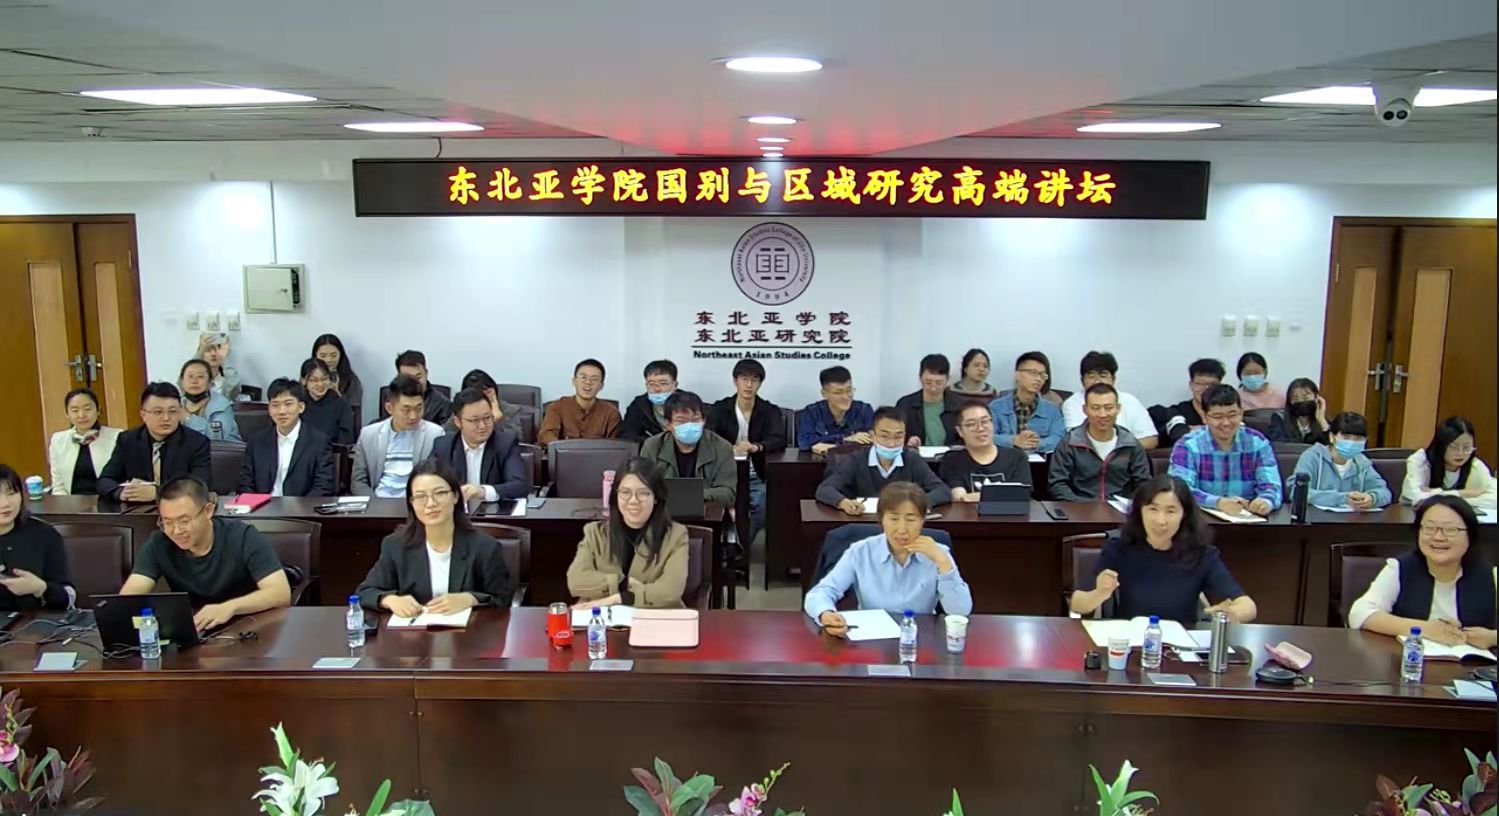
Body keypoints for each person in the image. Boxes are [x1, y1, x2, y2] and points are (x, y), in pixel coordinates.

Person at [1069, 475, 1257, 625]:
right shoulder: (1119, 547)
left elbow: (1248, 606)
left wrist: (1232, 613)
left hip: (1180, 647)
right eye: (1153, 509)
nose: (1161, 520)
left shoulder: (1202, 554)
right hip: (1130, 645)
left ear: (1184, 515)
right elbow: (1078, 603)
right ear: (1140, 511)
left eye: (1171, 511)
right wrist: (1099, 594)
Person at [119, 476, 291, 630]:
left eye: (184, 521)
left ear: (208, 511)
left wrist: (229, 607)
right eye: (167, 522)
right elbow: (129, 597)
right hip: (196, 627)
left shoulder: (243, 536)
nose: (176, 531)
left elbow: (280, 593)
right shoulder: (159, 542)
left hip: (248, 624)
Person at [805, 481, 972, 633]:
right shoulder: (860, 552)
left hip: (920, 636)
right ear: (881, 519)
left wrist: (943, 563)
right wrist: (825, 613)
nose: (902, 529)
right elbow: (821, 592)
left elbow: (960, 611)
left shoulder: (938, 553)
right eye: (894, 519)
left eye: (911, 519)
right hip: (872, 637)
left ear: (923, 520)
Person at [355, 461, 514, 615]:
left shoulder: (485, 547)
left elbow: (503, 600)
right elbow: (365, 592)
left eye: (440, 493)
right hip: (413, 631)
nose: (431, 503)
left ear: (455, 496)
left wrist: (471, 599)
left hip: (470, 631)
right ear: (411, 503)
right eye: (420, 496)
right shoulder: (396, 546)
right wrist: (389, 599)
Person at [1348, 495, 1495, 648]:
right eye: (1430, 528)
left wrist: (1493, 638)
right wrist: (1426, 629)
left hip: (1473, 662)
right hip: (1406, 660)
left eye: (1450, 530)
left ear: (1470, 535)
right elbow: (1360, 613)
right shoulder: (1400, 568)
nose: (1438, 537)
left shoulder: (1491, 574)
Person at [566, 458, 690, 608]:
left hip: (657, 616)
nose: (633, 501)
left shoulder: (676, 535)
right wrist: (622, 583)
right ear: (616, 496)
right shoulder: (595, 533)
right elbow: (576, 581)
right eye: (625, 492)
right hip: (607, 617)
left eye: (643, 493)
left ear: (656, 498)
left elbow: (670, 591)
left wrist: (619, 598)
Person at [1168, 385, 1282, 516]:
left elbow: (1272, 486)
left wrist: (1266, 501)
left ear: (1241, 413)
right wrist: (1218, 502)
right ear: (1204, 417)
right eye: (1218, 416)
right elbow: (1180, 490)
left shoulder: (1257, 442)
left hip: (1247, 517)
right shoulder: (1187, 445)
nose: (1226, 423)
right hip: (1201, 519)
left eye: (1232, 415)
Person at [706, 358, 787, 541]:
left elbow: (778, 439)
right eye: (744, 379)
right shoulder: (720, 409)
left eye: (754, 380)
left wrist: (756, 447)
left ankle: (741, 543)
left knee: (764, 502)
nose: (749, 385)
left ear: (760, 383)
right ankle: (722, 543)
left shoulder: (770, 410)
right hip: (723, 474)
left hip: (756, 475)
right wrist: (729, 448)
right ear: (735, 381)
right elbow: (709, 436)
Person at [815, 407, 950, 515]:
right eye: (885, 436)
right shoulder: (857, 460)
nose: (891, 443)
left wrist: (918, 503)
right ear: (873, 436)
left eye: (898, 437)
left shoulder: (912, 460)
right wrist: (843, 503)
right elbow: (825, 489)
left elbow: (943, 490)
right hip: (863, 523)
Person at [97, 382, 212, 503]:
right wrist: (121, 493)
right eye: (158, 412)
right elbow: (105, 480)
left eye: (172, 411)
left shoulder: (197, 442)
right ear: (143, 415)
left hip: (180, 508)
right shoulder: (127, 440)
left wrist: (158, 492)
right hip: (137, 509)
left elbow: (199, 485)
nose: (166, 418)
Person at [1049, 384, 1152, 502]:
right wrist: (1083, 505)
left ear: (1118, 409)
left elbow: (1144, 484)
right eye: (1095, 408)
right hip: (1079, 508)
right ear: (1085, 410)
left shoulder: (1131, 444)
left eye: (1108, 408)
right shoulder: (1070, 443)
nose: (1102, 414)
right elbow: (1057, 484)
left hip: (1121, 509)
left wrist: (1129, 505)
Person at [236, 379, 335, 497]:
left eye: (288, 404)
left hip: (302, 506)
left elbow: (323, 486)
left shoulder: (319, 442)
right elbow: (245, 483)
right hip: (262, 506)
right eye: (275, 405)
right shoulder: (257, 441)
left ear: (301, 407)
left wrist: (300, 507)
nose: (282, 411)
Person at [352, 375, 447, 497]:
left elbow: (439, 478)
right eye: (406, 410)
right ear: (389, 408)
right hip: (379, 500)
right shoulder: (369, 435)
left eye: (419, 408)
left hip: (418, 500)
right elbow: (358, 481)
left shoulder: (435, 434)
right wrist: (375, 503)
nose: (413, 416)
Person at [430, 388, 530, 503]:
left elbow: (520, 486)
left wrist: (483, 492)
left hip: (493, 511)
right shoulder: (443, 446)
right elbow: (428, 482)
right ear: (458, 422)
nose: (482, 426)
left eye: (487, 418)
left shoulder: (505, 444)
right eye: (474, 420)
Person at [639, 391, 737, 506]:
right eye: (681, 421)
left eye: (695, 420)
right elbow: (642, 487)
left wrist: (692, 496)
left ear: (704, 420)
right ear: (668, 424)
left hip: (706, 511)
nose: (689, 425)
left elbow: (728, 493)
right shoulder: (652, 447)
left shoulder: (721, 447)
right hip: (663, 511)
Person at [0, 464, 75, 611]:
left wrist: (41, 588)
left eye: (11, 493)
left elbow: (69, 597)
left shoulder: (44, 534)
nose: (6, 503)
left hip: (33, 621)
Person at [1288, 411, 1392, 510]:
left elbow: (1385, 492)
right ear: (1332, 437)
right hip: (1316, 519)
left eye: (1358, 438)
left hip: (1353, 520)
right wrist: (1343, 499)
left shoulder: (1361, 462)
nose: (1352, 442)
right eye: (1346, 437)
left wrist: (1372, 498)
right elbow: (1296, 492)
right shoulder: (1312, 457)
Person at [1059, 351, 1159, 450]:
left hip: (1127, 457)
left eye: (1103, 376)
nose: (1097, 381)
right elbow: (1076, 442)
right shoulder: (1072, 404)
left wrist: (1120, 452)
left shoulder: (1130, 400)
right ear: (1082, 380)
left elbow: (1150, 440)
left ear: (1113, 379)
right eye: (1091, 376)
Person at [939, 403, 1032, 501]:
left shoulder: (1017, 457)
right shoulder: (952, 460)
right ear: (960, 431)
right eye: (971, 424)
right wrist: (1002, 495)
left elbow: (1021, 496)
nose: (980, 428)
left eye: (985, 421)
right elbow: (960, 498)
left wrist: (975, 496)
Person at [1403, 417, 1497, 511]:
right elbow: (1415, 497)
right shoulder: (1420, 460)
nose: (1460, 453)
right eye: (1454, 447)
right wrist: (1462, 494)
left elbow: (1495, 499)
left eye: (1467, 447)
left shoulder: (1475, 465)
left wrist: (1450, 499)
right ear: (1441, 446)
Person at [47, 387, 121, 496]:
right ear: (67, 414)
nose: (81, 415)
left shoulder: (118, 437)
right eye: (75, 411)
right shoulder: (58, 440)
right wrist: (64, 504)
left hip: (109, 500)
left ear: (98, 410)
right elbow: (58, 485)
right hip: (70, 502)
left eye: (87, 409)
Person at [989, 351, 1064, 453]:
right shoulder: (996, 407)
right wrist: (1014, 441)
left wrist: (1036, 443)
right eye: (1033, 373)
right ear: (1017, 375)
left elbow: (1059, 438)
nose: (1038, 379)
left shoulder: (1052, 410)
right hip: (1005, 460)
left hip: (1040, 461)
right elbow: (987, 436)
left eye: (1042, 375)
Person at [538, 358, 621, 448]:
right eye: (583, 377)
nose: (588, 382)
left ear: (601, 386)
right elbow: (546, 435)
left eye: (594, 379)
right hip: (565, 455)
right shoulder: (557, 407)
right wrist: (563, 449)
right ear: (574, 381)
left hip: (598, 456)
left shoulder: (611, 412)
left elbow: (615, 444)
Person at [797, 366, 874, 453]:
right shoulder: (812, 412)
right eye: (838, 393)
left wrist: (835, 446)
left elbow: (872, 441)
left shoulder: (864, 410)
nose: (845, 397)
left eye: (849, 390)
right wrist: (845, 438)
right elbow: (804, 443)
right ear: (824, 393)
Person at [1151, 358, 1226, 444]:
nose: (1206, 389)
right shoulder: (1177, 411)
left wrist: (1196, 429)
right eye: (1200, 383)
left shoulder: (1228, 409)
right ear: (1191, 385)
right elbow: (1180, 435)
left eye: (1212, 384)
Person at [895, 353, 963, 448]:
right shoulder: (905, 405)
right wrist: (908, 440)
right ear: (920, 378)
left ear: (948, 380)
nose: (933, 388)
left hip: (951, 455)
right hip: (916, 455)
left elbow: (964, 437)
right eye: (928, 382)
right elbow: (896, 434)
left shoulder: (959, 405)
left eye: (939, 383)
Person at [378, 350, 452, 426]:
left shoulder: (442, 403)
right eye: (408, 378)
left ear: (426, 373)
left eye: (418, 377)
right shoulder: (389, 397)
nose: (414, 383)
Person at [178, 358, 241, 442]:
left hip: (223, 449)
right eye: (190, 376)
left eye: (200, 376)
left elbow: (218, 437)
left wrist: (188, 418)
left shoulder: (221, 405)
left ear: (210, 382)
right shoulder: (177, 404)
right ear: (181, 382)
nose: (194, 381)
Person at [299, 358, 356, 445]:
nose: (320, 384)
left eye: (324, 379)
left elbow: (346, 439)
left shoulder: (341, 403)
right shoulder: (298, 403)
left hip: (331, 451)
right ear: (304, 381)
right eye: (314, 380)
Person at [620, 359, 679, 443]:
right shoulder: (638, 405)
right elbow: (627, 435)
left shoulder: (689, 403)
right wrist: (655, 442)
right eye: (651, 384)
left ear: (675, 385)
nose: (657, 389)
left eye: (663, 383)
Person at [459, 368, 526, 440]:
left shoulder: (510, 410)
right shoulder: (462, 409)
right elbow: (451, 435)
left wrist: (498, 420)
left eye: (486, 393)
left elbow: (515, 439)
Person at [311, 333, 364, 421]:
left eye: (334, 355)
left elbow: (354, 415)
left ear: (341, 355)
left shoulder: (351, 380)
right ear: (315, 355)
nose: (328, 360)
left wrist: (337, 393)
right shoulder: (308, 379)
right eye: (323, 356)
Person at [1267, 377, 1330, 445]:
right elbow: (1279, 444)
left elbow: (1331, 445)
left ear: (1316, 398)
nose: (1301, 401)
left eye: (1305, 397)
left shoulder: (1322, 421)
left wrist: (1321, 420)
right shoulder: (1279, 419)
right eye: (1295, 398)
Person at [197, 331, 241, 402]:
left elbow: (232, 391)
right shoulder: (194, 382)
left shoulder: (228, 381)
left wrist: (224, 358)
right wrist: (199, 353)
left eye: (218, 349)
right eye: (208, 350)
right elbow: (184, 383)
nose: (213, 354)